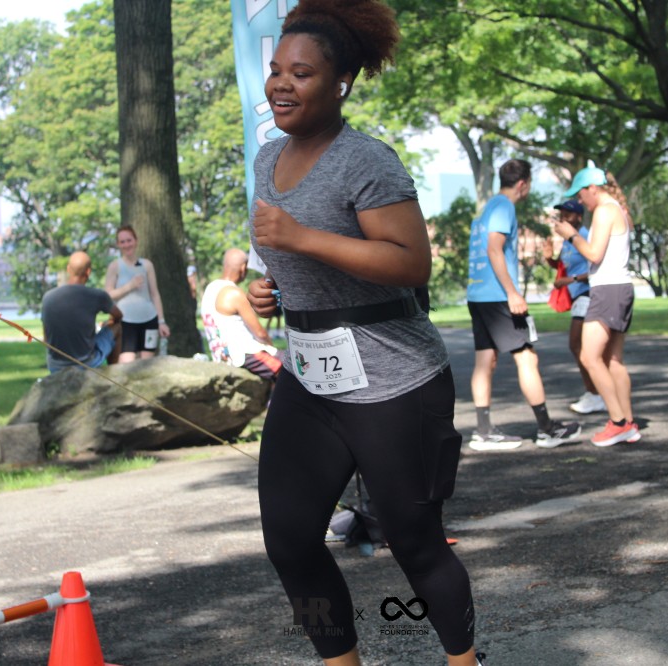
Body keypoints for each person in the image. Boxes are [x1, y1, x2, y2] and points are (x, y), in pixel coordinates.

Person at [244, 2, 482, 664]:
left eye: (301, 73)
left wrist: (302, 238)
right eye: (276, 70)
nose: (281, 84)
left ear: (341, 83)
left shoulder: (365, 160)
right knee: (290, 541)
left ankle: (464, 660)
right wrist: (270, 289)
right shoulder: (268, 159)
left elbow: (410, 263)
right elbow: (289, 258)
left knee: (415, 542)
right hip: (310, 376)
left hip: (395, 381)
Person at [466, 158, 582, 451]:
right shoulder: (504, 207)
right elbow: (494, 249)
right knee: (527, 359)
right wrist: (512, 293)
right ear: (523, 184)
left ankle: (483, 432)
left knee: (485, 361)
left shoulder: (488, 207)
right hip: (498, 296)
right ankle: (547, 429)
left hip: (478, 295)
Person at [554, 167, 640, 446]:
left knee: (590, 357)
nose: (580, 201)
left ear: (593, 188)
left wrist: (570, 234)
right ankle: (628, 422)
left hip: (607, 290)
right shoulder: (616, 208)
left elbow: (594, 254)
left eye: (581, 195)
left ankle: (618, 423)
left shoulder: (604, 210)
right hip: (620, 288)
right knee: (613, 360)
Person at [542, 199, 606, 415]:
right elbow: (563, 267)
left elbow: (598, 265)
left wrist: (571, 280)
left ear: (579, 216)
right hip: (577, 296)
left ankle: (596, 393)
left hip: (588, 294)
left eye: (568, 214)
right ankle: (595, 392)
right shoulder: (568, 241)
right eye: (562, 215)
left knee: (578, 344)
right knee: (579, 346)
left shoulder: (584, 236)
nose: (564, 218)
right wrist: (549, 259)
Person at [201, 248, 282, 381]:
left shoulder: (210, 289)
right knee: (290, 371)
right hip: (245, 355)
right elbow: (260, 334)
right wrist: (272, 348)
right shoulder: (234, 293)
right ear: (243, 268)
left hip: (221, 356)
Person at [41, 251, 123, 374]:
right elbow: (119, 316)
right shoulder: (97, 296)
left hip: (55, 366)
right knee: (118, 327)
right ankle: (114, 374)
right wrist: (109, 322)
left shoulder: (48, 297)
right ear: (88, 272)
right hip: (87, 363)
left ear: (68, 269)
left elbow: (46, 338)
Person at [104, 225, 170, 363]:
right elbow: (108, 295)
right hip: (126, 323)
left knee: (147, 365)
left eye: (129, 240)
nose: (126, 245)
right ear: (118, 244)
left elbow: (155, 294)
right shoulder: (115, 266)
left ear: (136, 241)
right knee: (127, 365)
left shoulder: (147, 265)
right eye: (122, 242)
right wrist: (130, 286)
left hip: (149, 320)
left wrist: (161, 322)